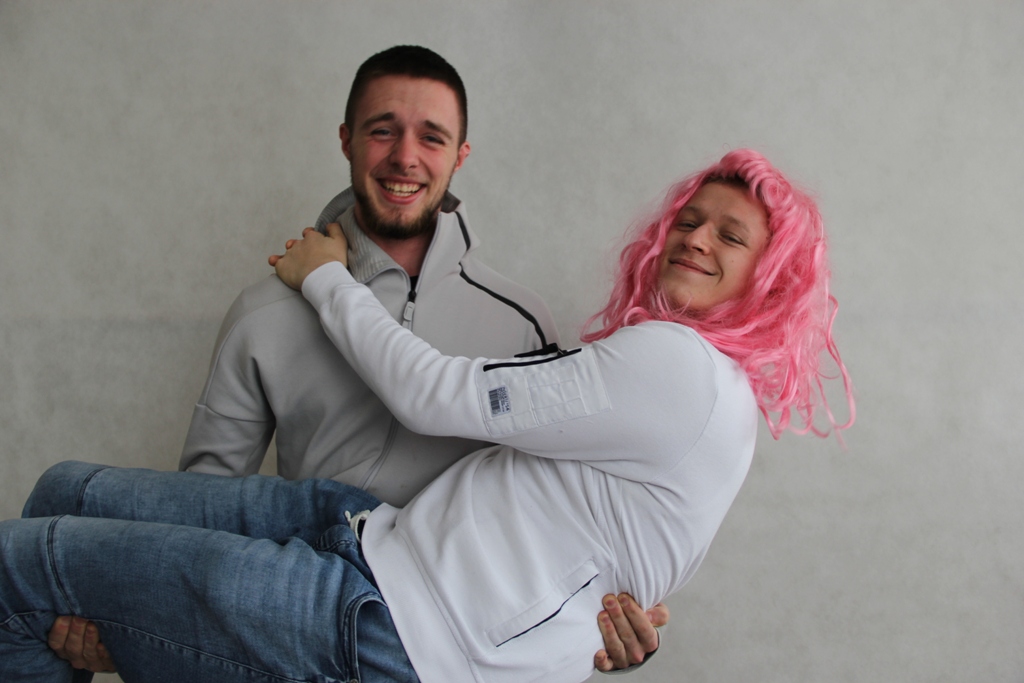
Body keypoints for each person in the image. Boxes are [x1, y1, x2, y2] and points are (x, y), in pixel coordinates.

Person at [2, 149, 854, 683]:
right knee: (63, 490)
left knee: (13, 566)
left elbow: (436, 396)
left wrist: (324, 278)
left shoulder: (647, 357)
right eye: (689, 220)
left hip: (397, 625)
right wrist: (144, 620)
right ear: (347, 142)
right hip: (364, 530)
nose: (694, 238)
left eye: (730, 236)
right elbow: (608, 539)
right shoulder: (675, 377)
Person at [46, 44, 666, 675]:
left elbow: (567, 515)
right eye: (382, 131)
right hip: (294, 632)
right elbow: (203, 503)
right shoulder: (265, 312)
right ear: (346, 139)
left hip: (449, 652)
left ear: (460, 155)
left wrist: (606, 624)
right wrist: (139, 624)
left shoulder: (523, 324)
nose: (405, 157)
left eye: (431, 137)